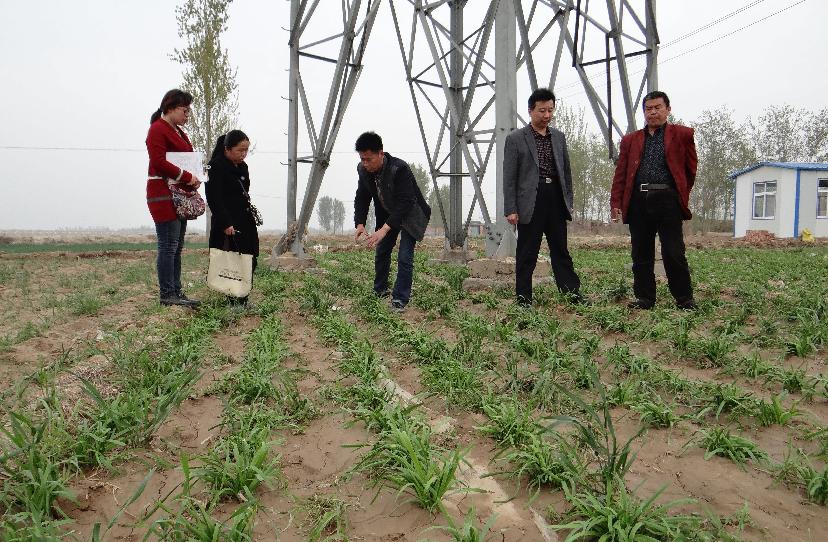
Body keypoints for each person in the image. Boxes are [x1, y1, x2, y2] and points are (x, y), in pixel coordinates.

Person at [610, 90, 698, 310]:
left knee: (673, 252)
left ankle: (684, 299)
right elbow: (621, 174)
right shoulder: (630, 140)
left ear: (668, 109)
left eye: (658, 107)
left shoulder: (682, 135)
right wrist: (616, 203)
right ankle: (645, 298)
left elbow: (690, 170)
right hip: (639, 200)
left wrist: (679, 194)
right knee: (640, 252)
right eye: (648, 109)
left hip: (668, 199)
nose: (653, 113)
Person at [503, 88, 582, 307]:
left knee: (560, 250)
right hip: (531, 201)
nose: (546, 115)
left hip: (555, 197)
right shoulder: (516, 139)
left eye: (550, 110)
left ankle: (572, 295)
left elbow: (566, 172)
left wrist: (569, 201)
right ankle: (523, 299)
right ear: (530, 111)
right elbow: (509, 177)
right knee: (527, 252)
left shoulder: (558, 137)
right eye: (541, 111)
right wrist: (511, 208)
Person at [353, 131, 431, 312]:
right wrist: (360, 223)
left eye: (369, 159)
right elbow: (362, 196)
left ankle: (399, 299)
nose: (365, 163)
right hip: (388, 212)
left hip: (411, 214)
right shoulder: (363, 170)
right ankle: (380, 289)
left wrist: (384, 229)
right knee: (382, 250)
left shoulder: (399, 169)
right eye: (362, 159)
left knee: (404, 256)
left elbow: (406, 202)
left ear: (381, 153)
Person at [146, 89, 201, 307]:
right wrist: (187, 176)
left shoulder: (178, 131)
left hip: (180, 195)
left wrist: (196, 175)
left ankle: (176, 292)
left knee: (176, 247)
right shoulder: (157, 130)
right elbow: (159, 161)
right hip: (163, 195)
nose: (188, 115)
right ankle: (167, 294)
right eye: (184, 110)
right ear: (170, 108)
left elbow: (186, 157)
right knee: (168, 245)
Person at [205, 130, 259, 306]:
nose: (243, 154)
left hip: (245, 219)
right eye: (240, 150)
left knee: (249, 259)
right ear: (227, 149)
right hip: (228, 222)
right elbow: (214, 199)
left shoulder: (242, 167)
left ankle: (243, 296)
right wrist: (226, 223)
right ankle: (233, 299)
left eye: (246, 150)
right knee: (231, 262)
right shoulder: (216, 167)